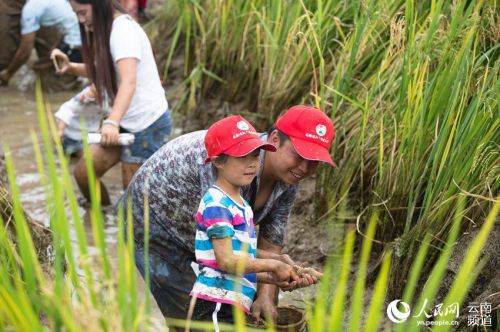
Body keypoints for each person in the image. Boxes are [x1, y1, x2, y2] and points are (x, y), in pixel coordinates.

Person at [120, 105, 336, 323]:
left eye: (314, 160)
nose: (305, 167)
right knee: (192, 319)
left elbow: (268, 244)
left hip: (211, 242)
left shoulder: (289, 179)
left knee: (250, 308)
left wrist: (266, 295)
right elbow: (225, 257)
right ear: (275, 140)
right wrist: (274, 267)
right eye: (299, 155)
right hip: (153, 225)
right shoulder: (233, 161)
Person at [50, 0, 172, 205]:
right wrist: (71, 67)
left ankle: (134, 232)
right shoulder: (108, 29)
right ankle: (103, 221)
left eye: (82, 12)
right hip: (124, 120)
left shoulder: (122, 31)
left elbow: (128, 81)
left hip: (146, 124)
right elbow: (105, 70)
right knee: (84, 173)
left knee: (134, 200)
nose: (81, 20)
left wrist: (111, 122)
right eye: (76, 14)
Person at [190, 115, 300, 328]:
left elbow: (243, 254)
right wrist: (273, 265)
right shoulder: (217, 203)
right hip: (216, 303)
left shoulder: (240, 204)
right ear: (218, 161)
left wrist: (279, 270)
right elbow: (227, 261)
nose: (252, 164)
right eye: (242, 157)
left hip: (232, 302)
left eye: (256, 155)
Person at [0, 0, 82, 85]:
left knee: (50, 81)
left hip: (75, 47)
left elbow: (25, 51)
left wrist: (8, 73)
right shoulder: (48, 3)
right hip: (81, 40)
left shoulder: (30, 10)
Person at [55, 85, 108, 158]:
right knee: (89, 157)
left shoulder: (110, 100)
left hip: (91, 135)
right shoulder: (85, 96)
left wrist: (103, 128)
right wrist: (60, 130)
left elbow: (109, 116)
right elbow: (67, 109)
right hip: (73, 136)